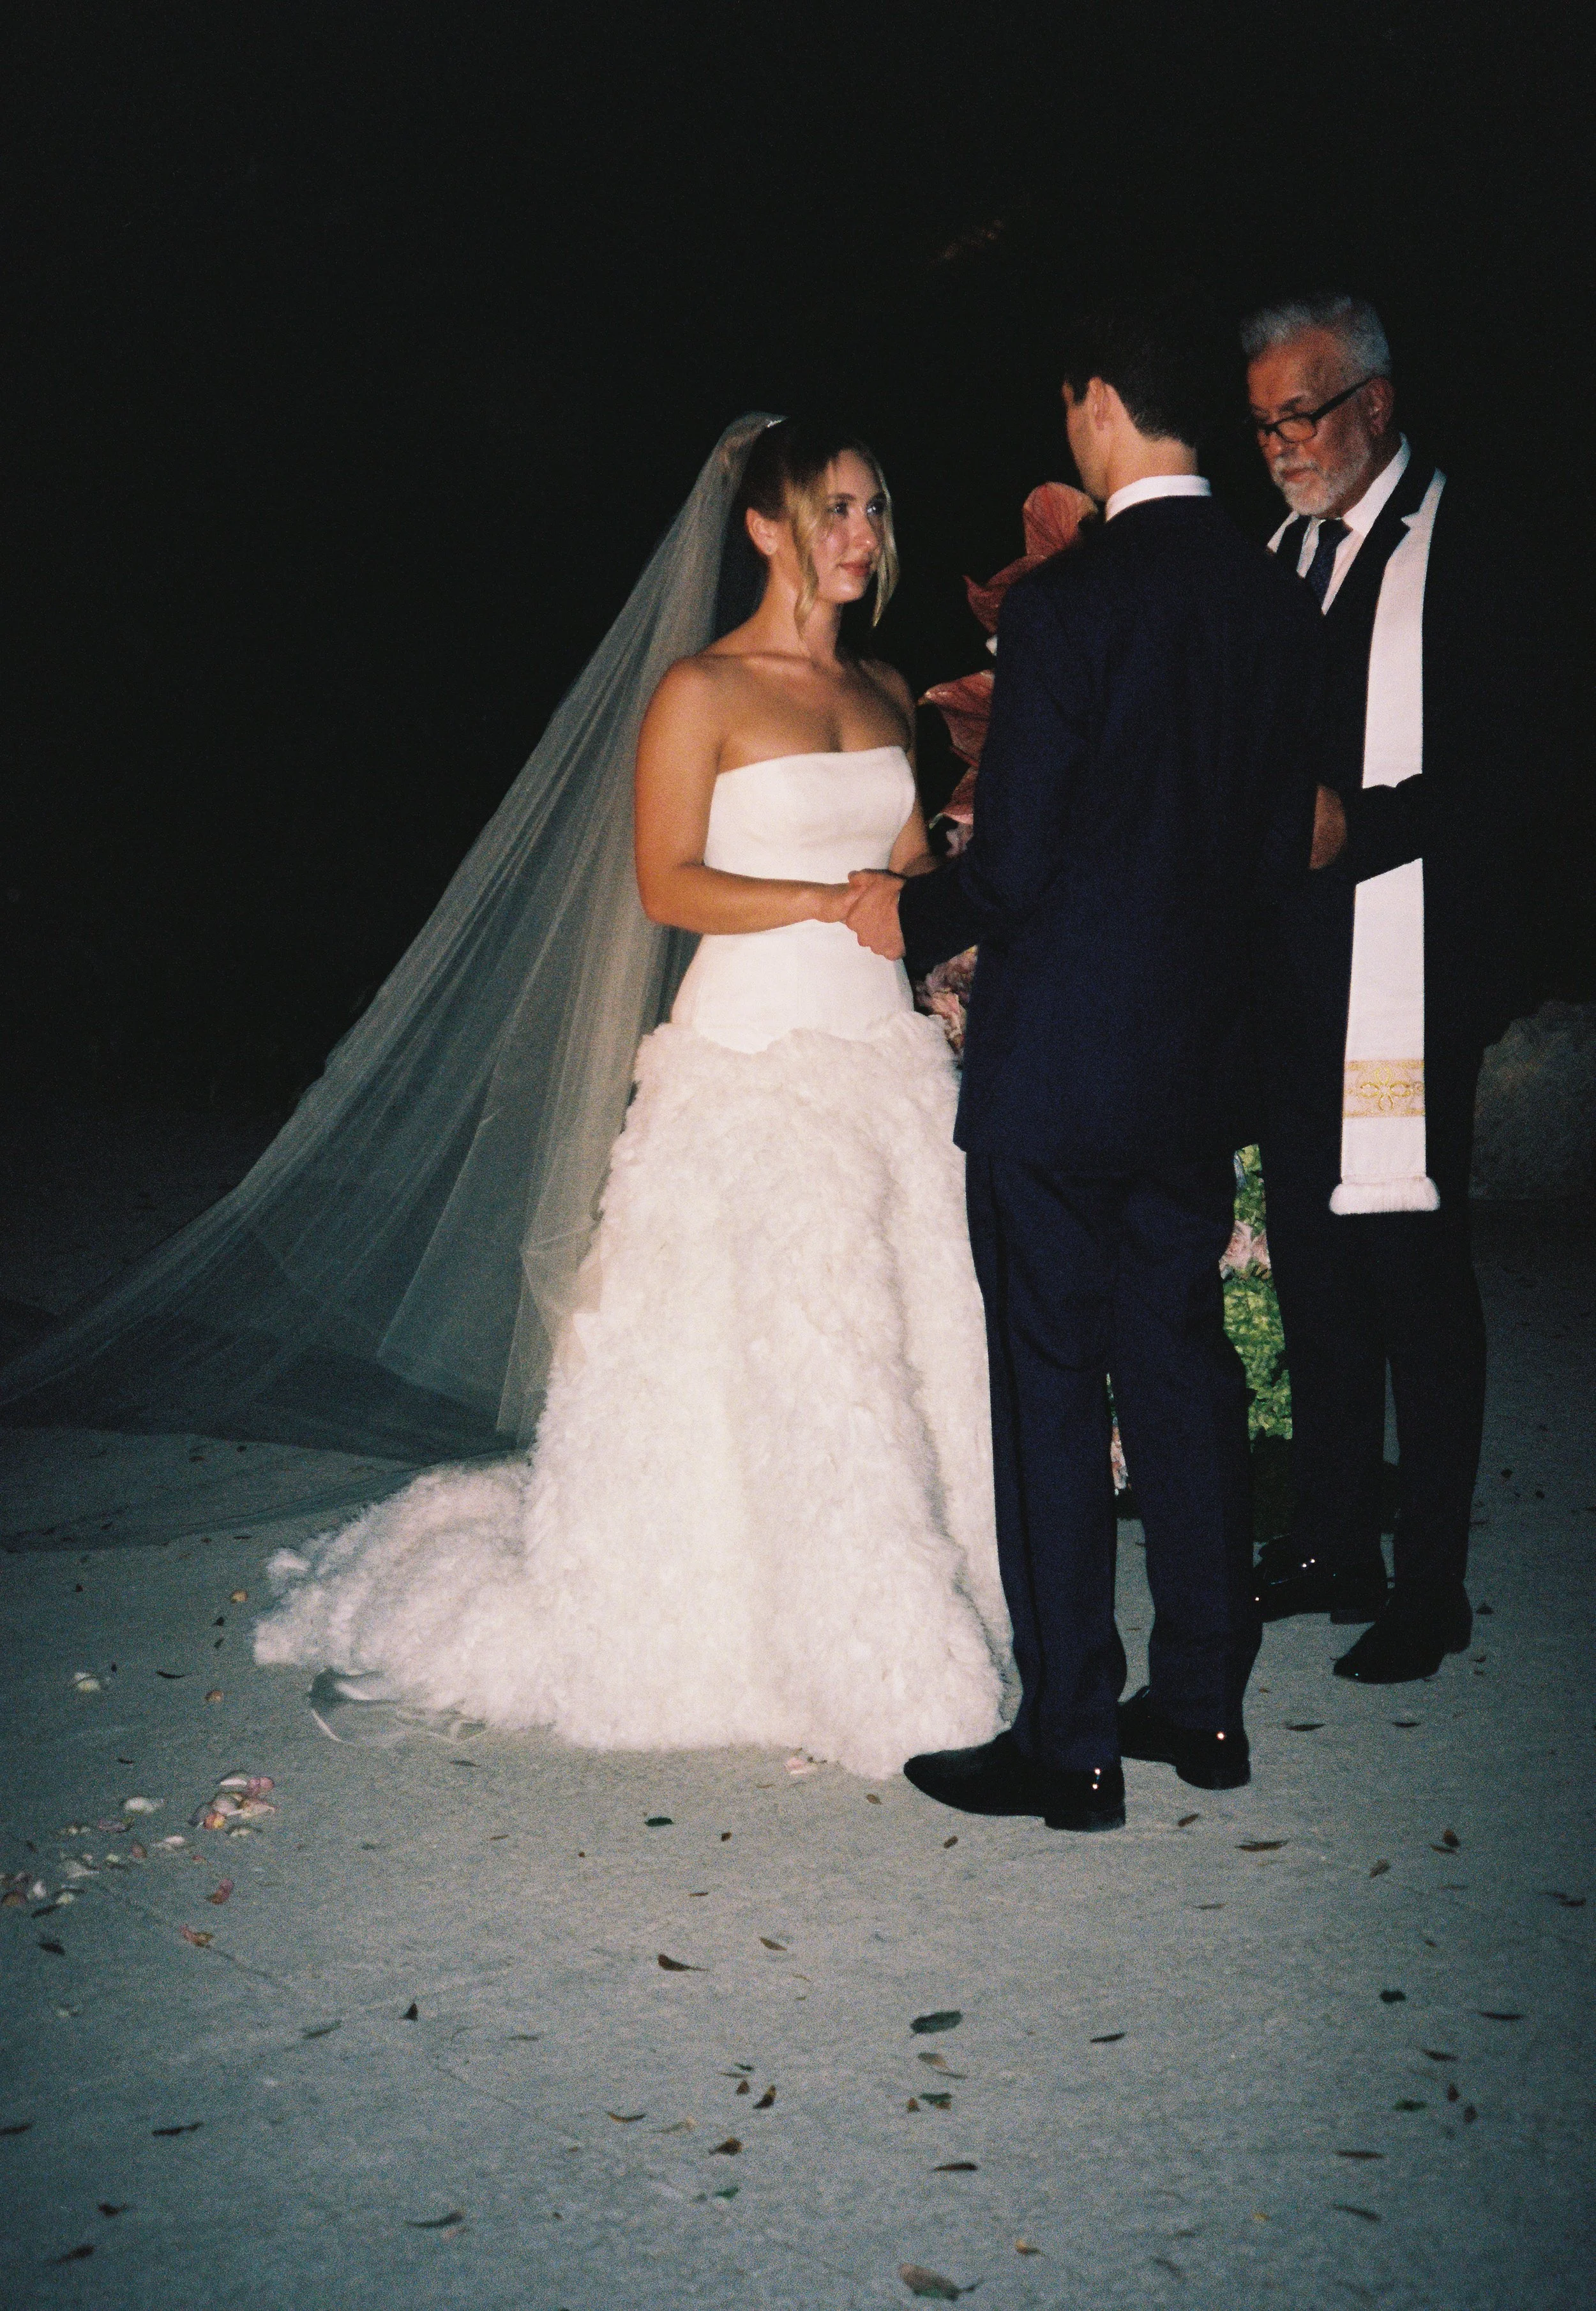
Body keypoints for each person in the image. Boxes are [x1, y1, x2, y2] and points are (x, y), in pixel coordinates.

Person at [255, 418, 1011, 1780]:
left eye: (873, 510)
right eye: (831, 510)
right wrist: (832, 903)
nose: (860, 535)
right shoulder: (700, 693)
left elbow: (903, 866)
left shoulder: (889, 689)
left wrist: (965, 867)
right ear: (765, 528)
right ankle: (860, 1654)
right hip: (749, 1059)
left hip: (882, 1062)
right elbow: (668, 883)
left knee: (912, 1340)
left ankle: (908, 1606)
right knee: (796, 1353)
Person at [844, 296, 1325, 1826]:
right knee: (1181, 1368)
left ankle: (1070, 1742)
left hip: (1059, 1069)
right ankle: (1201, 1706)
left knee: (1052, 1384)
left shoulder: (1066, 602)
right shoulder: (1268, 596)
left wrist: (902, 911)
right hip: (1196, 1061)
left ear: (1100, 405)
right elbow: (1268, 850)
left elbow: (1017, 867)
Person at [1243, 293, 1523, 1683]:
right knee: (1311, 1264)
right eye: (1260, 423)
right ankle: (1332, 1536)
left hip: (1404, 971)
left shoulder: (1469, 546)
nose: (1278, 444)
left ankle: (1431, 1583)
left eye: (1297, 413)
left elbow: (1518, 774)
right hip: (1289, 980)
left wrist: (1362, 824)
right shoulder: (1281, 552)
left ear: (1373, 404)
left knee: (1408, 1269)